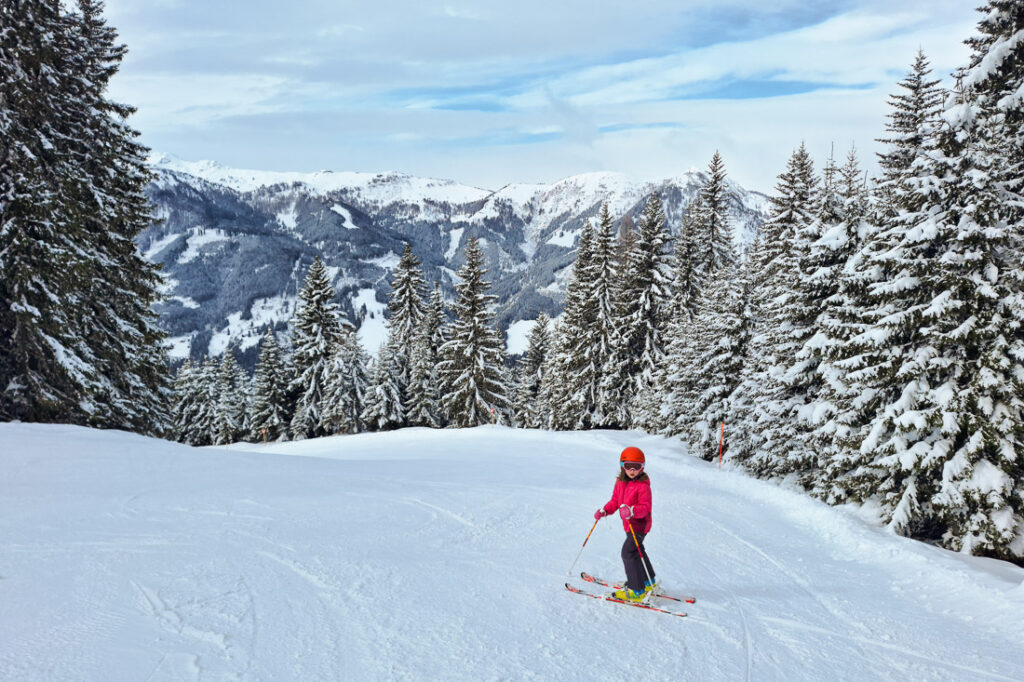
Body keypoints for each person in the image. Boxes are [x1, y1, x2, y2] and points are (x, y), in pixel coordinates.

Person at [594, 446, 657, 602]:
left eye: (637, 466)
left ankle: (636, 590)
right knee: (637, 551)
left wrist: (632, 511)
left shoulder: (643, 486)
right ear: (622, 466)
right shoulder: (620, 482)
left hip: (639, 526)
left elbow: (645, 508)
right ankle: (648, 581)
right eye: (628, 466)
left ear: (642, 467)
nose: (632, 470)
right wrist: (605, 511)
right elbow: (615, 501)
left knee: (628, 553)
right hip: (629, 526)